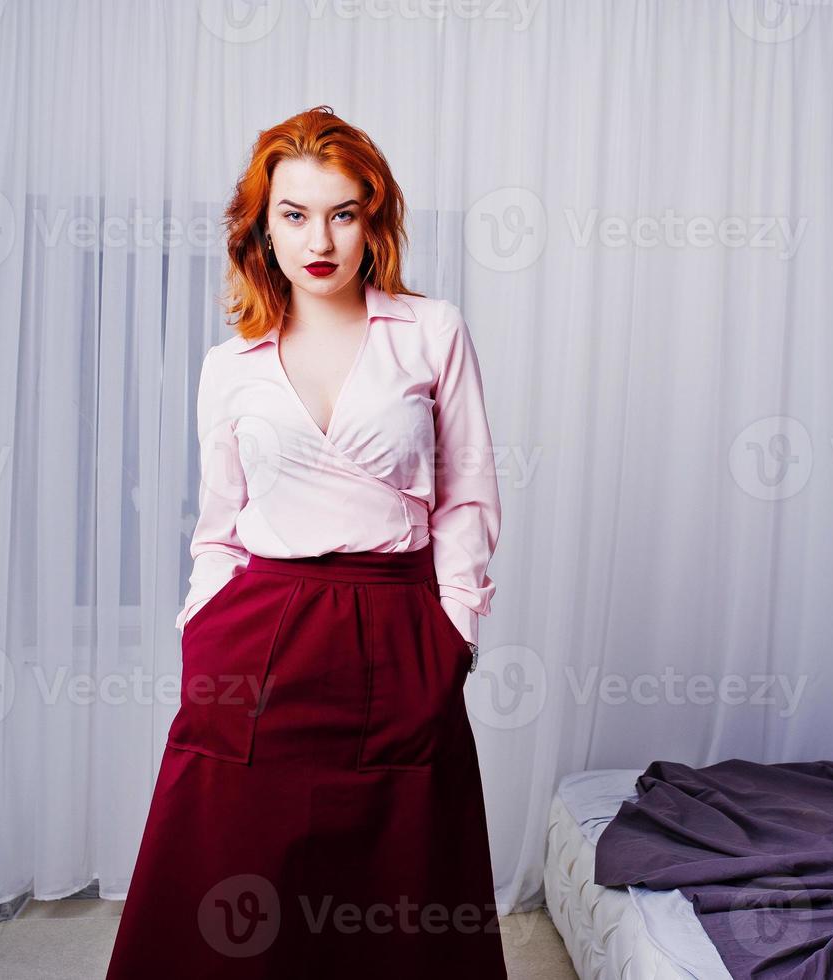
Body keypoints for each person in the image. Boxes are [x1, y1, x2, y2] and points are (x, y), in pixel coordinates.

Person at [106, 105, 506, 978]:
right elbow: (216, 528)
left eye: (341, 212)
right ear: (262, 227)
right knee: (235, 875)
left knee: (399, 878)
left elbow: (468, 494)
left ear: (374, 219)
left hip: (398, 621)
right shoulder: (229, 365)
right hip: (258, 631)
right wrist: (201, 628)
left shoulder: (432, 331)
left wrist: (456, 633)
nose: (317, 238)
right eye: (293, 214)